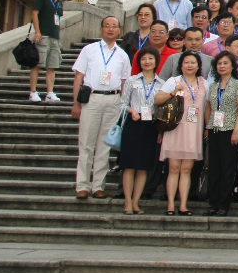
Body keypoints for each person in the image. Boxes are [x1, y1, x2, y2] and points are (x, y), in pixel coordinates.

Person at [71, 15, 132, 199]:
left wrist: (123, 105)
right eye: (107, 26)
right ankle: (82, 185)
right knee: (86, 144)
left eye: (114, 26)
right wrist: (76, 103)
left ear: (119, 30)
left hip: (113, 100)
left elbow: (125, 82)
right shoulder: (89, 50)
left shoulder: (122, 55)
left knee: (104, 146)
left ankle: (98, 186)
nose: (110, 29)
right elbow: (78, 77)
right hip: (92, 98)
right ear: (101, 29)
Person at [155, 50, 207, 215]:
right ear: (181, 65)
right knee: (174, 168)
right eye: (186, 62)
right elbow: (157, 100)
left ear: (198, 65)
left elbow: (208, 106)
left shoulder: (204, 82)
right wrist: (173, 92)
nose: (190, 65)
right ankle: (171, 204)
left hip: (194, 130)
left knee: (187, 169)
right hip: (176, 129)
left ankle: (183, 205)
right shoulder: (174, 80)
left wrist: (207, 127)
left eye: (193, 62)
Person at [118, 45, 161, 214]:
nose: (147, 61)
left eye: (150, 58)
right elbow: (122, 103)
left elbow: (161, 108)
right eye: (143, 59)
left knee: (143, 167)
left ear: (156, 61)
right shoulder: (132, 80)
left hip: (150, 126)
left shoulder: (162, 83)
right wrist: (131, 111)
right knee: (129, 166)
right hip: (134, 123)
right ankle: (127, 202)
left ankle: (136, 202)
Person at [204, 51, 238, 217]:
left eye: (225, 63)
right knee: (214, 168)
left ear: (232, 66)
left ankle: (224, 204)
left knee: (227, 168)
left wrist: (236, 131)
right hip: (214, 129)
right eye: (219, 63)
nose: (222, 66)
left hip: (230, 130)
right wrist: (207, 126)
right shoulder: (213, 86)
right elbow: (209, 108)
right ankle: (213, 203)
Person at [29, 0, 68, 102]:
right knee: (38, 64)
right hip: (43, 35)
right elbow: (34, 13)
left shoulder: (59, 2)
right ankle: (33, 92)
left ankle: (50, 93)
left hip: (55, 37)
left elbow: (58, 19)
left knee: (52, 66)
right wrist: (37, 32)